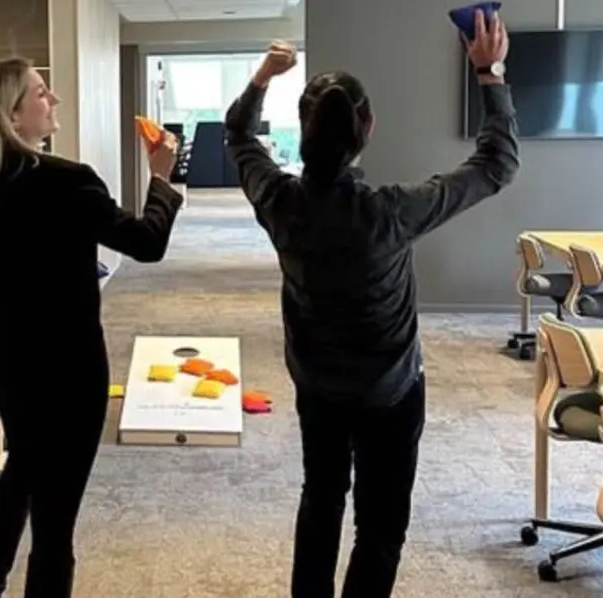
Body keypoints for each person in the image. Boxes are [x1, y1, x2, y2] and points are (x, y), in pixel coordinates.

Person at [223, 11, 518, 598]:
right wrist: (490, 73)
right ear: (369, 128)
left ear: (305, 129)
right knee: (379, 529)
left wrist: (262, 78)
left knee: (322, 499)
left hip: (317, 387)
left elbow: (238, 134)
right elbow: (497, 165)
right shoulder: (392, 212)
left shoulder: (280, 201)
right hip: (390, 392)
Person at [0, 56, 184, 598]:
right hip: (70, 370)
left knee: (23, 469)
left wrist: (30, 262)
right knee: (55, 520)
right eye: (42, 93)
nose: (54, 102)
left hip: (10, 363)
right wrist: (161, 179)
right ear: (13, 114)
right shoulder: (69, 183)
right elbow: (147, 243)